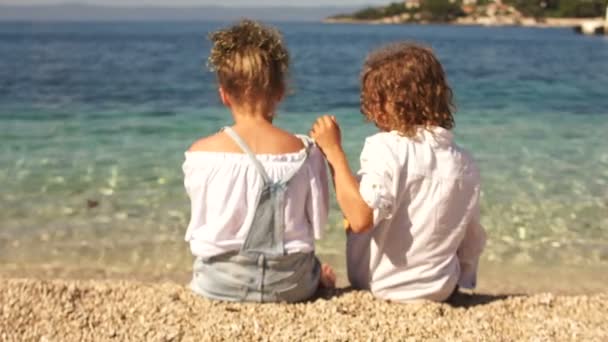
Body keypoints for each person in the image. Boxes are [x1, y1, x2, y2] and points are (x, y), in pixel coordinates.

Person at [310, 43, 486, 302]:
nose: (370, 113)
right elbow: (470, 236)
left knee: (358, 212)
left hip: (380, 285)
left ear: (389, 105)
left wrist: (334, 152)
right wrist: (464, 278)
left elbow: (360, 220)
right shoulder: (464, 161)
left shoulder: (386, 147)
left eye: (373, 102)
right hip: (441, 288)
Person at [183, 19, 335, 303]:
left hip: (220, 283)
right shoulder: (306, 152)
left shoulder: (200, 155)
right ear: (279, 92)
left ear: (224, 96)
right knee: (313, 267)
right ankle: (319, 279)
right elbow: (318, 222)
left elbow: (201, 222)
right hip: (292, 284)